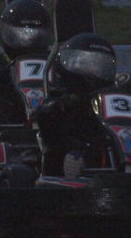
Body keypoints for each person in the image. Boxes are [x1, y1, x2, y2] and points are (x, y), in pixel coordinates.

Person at [32, 32, 119, 176]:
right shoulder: (59, 100)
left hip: (106, 146)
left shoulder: (109, 98)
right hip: (71, 157)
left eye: (99, 64)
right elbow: (42, 115)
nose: (94, 69)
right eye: (88, 63)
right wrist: (68, 104)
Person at [0, 0, 53, 126]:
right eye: (21, 33)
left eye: (33, 33)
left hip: (48, 115)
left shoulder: (53, 63)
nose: (27, 38)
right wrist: (5, 75)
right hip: (12, 114)